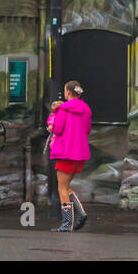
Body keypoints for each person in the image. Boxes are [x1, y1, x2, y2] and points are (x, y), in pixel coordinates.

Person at [49, 80, 92, 232]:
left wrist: (51, 127)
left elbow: (58, 130)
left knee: (62, 187)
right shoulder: (86, 109)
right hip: (80, 152)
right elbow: (87, 129)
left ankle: (68, 223)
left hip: (65, 152)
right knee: (66, 186)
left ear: (68, 92)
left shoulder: (62, 109)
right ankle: (80, 214)